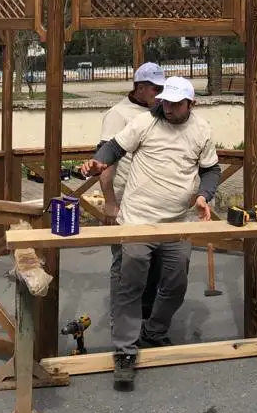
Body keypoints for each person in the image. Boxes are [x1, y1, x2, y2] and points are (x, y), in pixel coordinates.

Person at [81, 76, 221, 391]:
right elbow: (113, 148)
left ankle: (154, 332)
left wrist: (204, 196)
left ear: (191, 103)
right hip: (136, 221)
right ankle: (125, 352)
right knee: (130, 284)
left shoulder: (201, 130)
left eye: (175, 103)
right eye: (165, 101)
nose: (167, 108)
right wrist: (98, 163)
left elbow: (211, 170)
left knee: (175, 284)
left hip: (177, 224)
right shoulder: (145, 122)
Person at [98, 62, 167, 327]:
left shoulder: (160, 113)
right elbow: (106, 161)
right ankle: (122, 321)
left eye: (163, 88)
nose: (160, 93)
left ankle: (146, 318)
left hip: (154, 204)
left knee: (155, 264)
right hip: (124, 201)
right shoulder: (118, 114)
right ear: (140, 87)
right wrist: (109, 202)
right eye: (156, 88)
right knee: (125, 264)